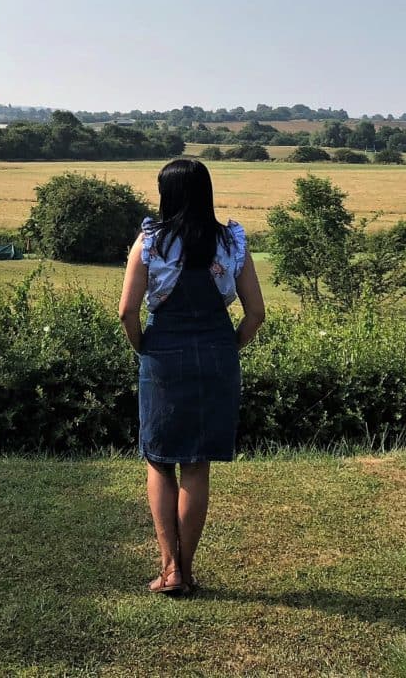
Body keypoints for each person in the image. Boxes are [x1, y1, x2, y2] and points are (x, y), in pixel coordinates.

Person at [118, 157, 266, 596]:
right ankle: (187, 567)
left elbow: (127, 311)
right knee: (196, 463)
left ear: (167, 194)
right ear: (206, 193)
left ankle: (169, 570)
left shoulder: (150, 243)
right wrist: (228, 347)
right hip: (218, 353)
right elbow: (255, 314)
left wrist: (143, 346)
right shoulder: (232, 242)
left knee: (160, 459)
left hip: (164, 354)